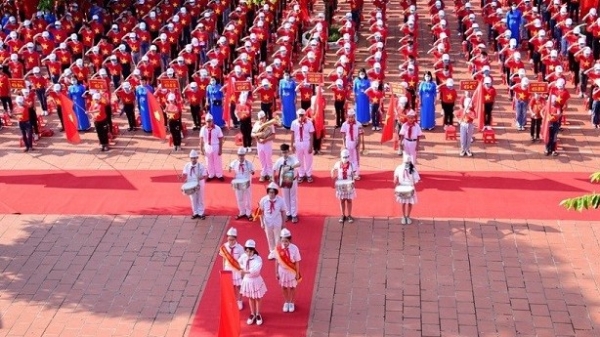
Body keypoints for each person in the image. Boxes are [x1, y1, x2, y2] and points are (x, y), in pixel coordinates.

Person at [238, 239, 267, 326]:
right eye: (247, 251)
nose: (248, 253)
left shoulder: (258, 259)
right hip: (247, 280)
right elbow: (238, 263)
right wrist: (240, 268)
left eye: (250, 251)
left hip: (255, 280)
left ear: (254, 250)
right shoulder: (243, 256)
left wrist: (244, 271)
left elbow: (255, 270)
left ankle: (258, 314)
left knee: (257, 297)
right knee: (250, 297)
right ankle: (252, 313)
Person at [274, 228, 302, 313]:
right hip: (282, 271)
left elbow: (297, 261)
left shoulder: (294, 248)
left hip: (291, 270)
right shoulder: (278, 249)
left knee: (293, 287)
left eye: (286, 241)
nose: (284, 243)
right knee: (284, 287)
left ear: (290, 240)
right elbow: (276, 261)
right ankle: (286, 301)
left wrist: (297, 273)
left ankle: (292, 302)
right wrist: (276, 272)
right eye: (283, 241)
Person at [273, 143, 301, 223]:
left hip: (292, 179)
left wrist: (290, 167)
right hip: (284, 180)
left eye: (286, 152)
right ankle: (288, 213)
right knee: (285, 197)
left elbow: (299, 164)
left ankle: (294, 214)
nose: (284, 154)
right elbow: (274, 169)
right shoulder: (279, 160)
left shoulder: (293, 158)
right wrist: (273, 179)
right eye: (283, 152)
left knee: (293, 197)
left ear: (288, 151)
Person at [219, 227, 245, 310]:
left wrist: (242, 271)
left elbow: (243, 260)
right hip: (228, 269)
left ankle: (239, 300)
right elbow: (224, 258)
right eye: (229, 239)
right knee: (231, 286)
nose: (230, 241)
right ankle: (232, 300)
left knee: (239, 286)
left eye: (232, 240)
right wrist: (223, 269)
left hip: (237, 269)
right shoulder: (224, 247)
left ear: (236, 239)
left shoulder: (240, 248)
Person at [259, 182, 287, 260]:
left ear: (275, 192)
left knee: (278, 237)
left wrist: (284, 223)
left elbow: (283, 211)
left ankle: (278, 251)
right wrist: (261, 222)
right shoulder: (263, 200)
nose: (271, 194)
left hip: (277, 221)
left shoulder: (280, 200)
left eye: (273, 192)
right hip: (267, 222)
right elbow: (260, 211)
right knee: (270, 237)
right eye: (270, 192)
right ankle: (272, 251)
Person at [331, 149, 356, 223]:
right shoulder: (337, 164)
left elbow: (354, 175)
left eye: (347, 157)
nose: (345, 158)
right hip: (341, 184)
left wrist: (354, 180)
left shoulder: (352, 165)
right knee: (342, 200)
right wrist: (333, 173)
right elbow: (333, 175)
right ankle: (342, 215)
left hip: (349, 184)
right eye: (344, 157)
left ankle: (349, 215)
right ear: (341, 157)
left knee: (349, 200)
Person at [394, 154, 420, 225]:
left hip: (410, 187)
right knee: (404, 202)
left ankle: (408, 216)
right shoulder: (399, 168)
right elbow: (396, 176)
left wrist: (412, 183)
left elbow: (416, 179)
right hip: (402, 187)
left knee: (409, 202)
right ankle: (403, 216)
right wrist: (396, 181)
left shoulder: (413, 169)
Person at [229, 147, 255, 220]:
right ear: (237, 155)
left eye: (242, 155)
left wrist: (251, 172)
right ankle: (242, 212)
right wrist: (230, 168)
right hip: (238, 182)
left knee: (248, 198)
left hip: (246, 182)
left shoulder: (249, 163)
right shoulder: (234, 162)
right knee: (239, 198)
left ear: (244, 155)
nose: (241, 156)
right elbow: (230, 168)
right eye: (239, 155)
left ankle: (248, 213)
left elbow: (253, 171)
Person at [290, 109, 315, 183]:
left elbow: (311, 134)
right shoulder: (294, 123)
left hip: (306, 142)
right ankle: (301, 174)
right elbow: (292, 134)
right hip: (298, 143)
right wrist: (292, 145)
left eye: (302, 115)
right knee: (299, 159)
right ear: (297, 115)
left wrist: (311, 146)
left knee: (309, 159)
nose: (301, 117)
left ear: (305, 115)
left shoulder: (309, 123)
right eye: (299, 115)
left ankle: (309, 174)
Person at [182, 149, 207, 219]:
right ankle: (195, 212)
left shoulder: (201, 166)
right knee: (193, 199)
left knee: (200, 198)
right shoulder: (187, 165)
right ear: (190, 158)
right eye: (192, 158)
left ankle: (201, 212)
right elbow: (184, 174)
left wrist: (200, 178)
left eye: (194, 158)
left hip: (199, 183)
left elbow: (205, 176)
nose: (193, 159)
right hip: (191, 184)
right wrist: (182, 178)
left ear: (197, 158)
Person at [251, 110, 276, 182]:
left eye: (263, 118)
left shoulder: (270, 124)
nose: (262, 119)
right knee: (262, 159)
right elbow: (252, 134)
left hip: (267, 144)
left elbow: (273, 136)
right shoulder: (256, 124)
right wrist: (257, 138)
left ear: (265, 117)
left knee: (268, 159)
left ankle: (270, 174)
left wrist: (266, 139)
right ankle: (264, 173)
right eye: (260, 118)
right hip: (259, 144)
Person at [199, 113, 224, 181]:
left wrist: (220, 149)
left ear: (212, 121)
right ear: (205, 121)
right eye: (207, 121)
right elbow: (201, 139)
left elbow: (220, 139)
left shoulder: (217, 128)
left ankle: (219, 174)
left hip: (215, 145)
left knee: (217, 161)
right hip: (207, 146)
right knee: (208, 161)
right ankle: (211, 174)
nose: (209, 123)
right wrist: (201, 149)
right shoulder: (203, 129)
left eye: (210, 121)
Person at [340, 109, 362, 180]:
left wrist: (359, 143)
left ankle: (356, 173)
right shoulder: (344, 124)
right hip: (348, 142)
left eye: (352, 117)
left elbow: (360, 135)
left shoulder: (358, 124)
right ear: (347, 117)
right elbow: (343, 135)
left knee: (356, 158)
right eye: (349, 117)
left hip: (355, 143)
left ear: (354, 116)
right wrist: (343, 144)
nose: (350, 118)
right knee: (348, 158)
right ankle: (348, 173)